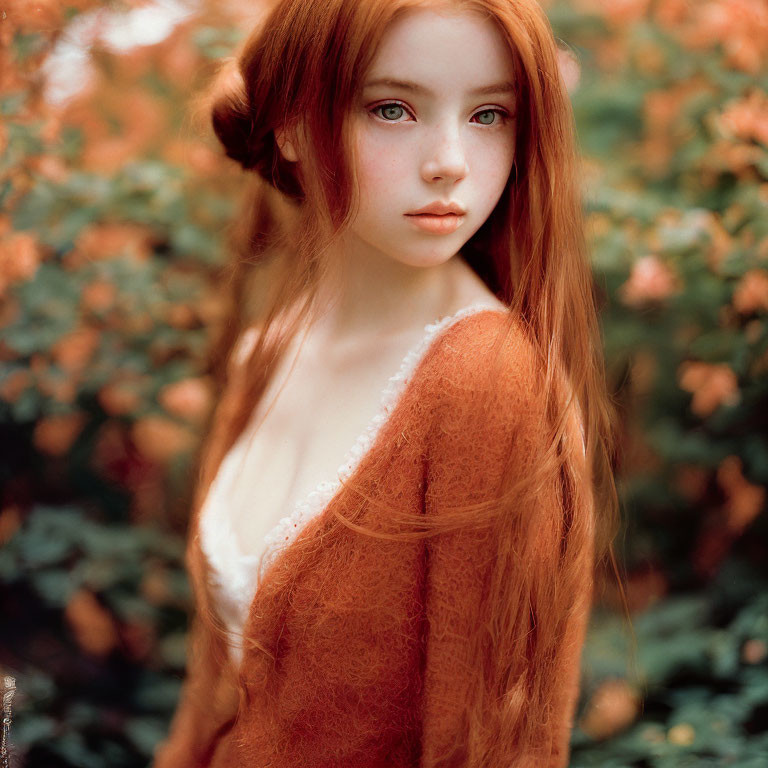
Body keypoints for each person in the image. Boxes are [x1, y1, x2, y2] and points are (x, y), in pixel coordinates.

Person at [152, 0, 622, 766]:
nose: (449, 161)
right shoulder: (268, 352)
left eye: (490, 114)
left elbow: (495, 748)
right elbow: (209, 705)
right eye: (394, 109)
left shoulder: (488, 385)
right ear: (293, 124)